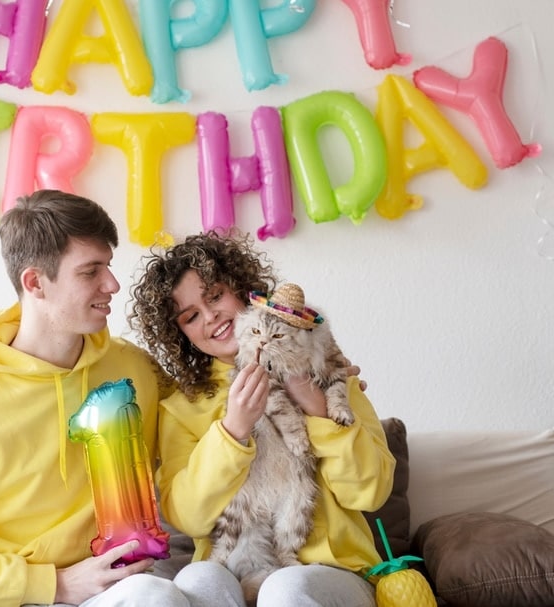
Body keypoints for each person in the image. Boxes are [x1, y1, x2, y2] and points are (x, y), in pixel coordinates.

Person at [0, 190, 219, 607]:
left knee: (157, 595)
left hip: (117, 587)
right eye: (90, 271)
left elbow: (203, 421)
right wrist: (55, 584)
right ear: (35, 282)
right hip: (16, 595)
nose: (112, 284)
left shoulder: (135, 369)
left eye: (109, 266)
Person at [128, 231, 396, 607]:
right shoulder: (182, 408)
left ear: (243, 290)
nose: (212, 317)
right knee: (196, 578)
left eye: (216, 295)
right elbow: (190, 519)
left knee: (285, 588)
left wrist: (317, 410)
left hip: (330, 574)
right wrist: (231, 432)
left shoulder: (330, 374)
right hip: (234, 573)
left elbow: (369, 491)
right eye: (190, 316)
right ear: (182, 335)